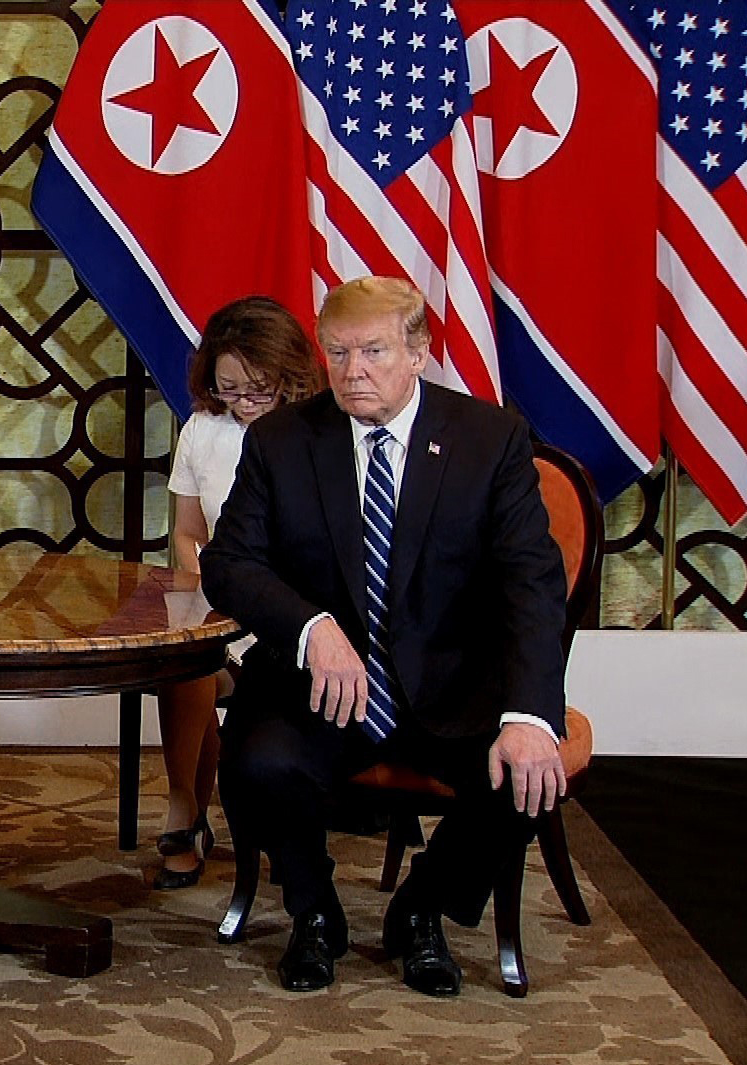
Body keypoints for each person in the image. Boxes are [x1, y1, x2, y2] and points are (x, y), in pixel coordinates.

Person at [200, 276, 568, 996]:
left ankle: (423, 909)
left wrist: (529, 715)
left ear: (418, 353)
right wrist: (311, 627)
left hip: (450, 686)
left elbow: (531, 584)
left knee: (527, 778)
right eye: (337, 353)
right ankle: (314, 912)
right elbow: (229, 564)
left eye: (373, 351)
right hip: (320, 687)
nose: (352, 371)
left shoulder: (488, 439)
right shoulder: (281, 440)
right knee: (256, 760)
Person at [153, 297, 324, 890]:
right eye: (229, 389)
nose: (244, 403)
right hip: (221, 607)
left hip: (294, 619)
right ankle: (185, 807)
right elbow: (187, 533)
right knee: (185, 664)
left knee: (211, 668)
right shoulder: (203, 431)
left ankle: (242, 818)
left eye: (259, 389)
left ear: (289, 373)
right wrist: (209, 586)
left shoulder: (318, 432)